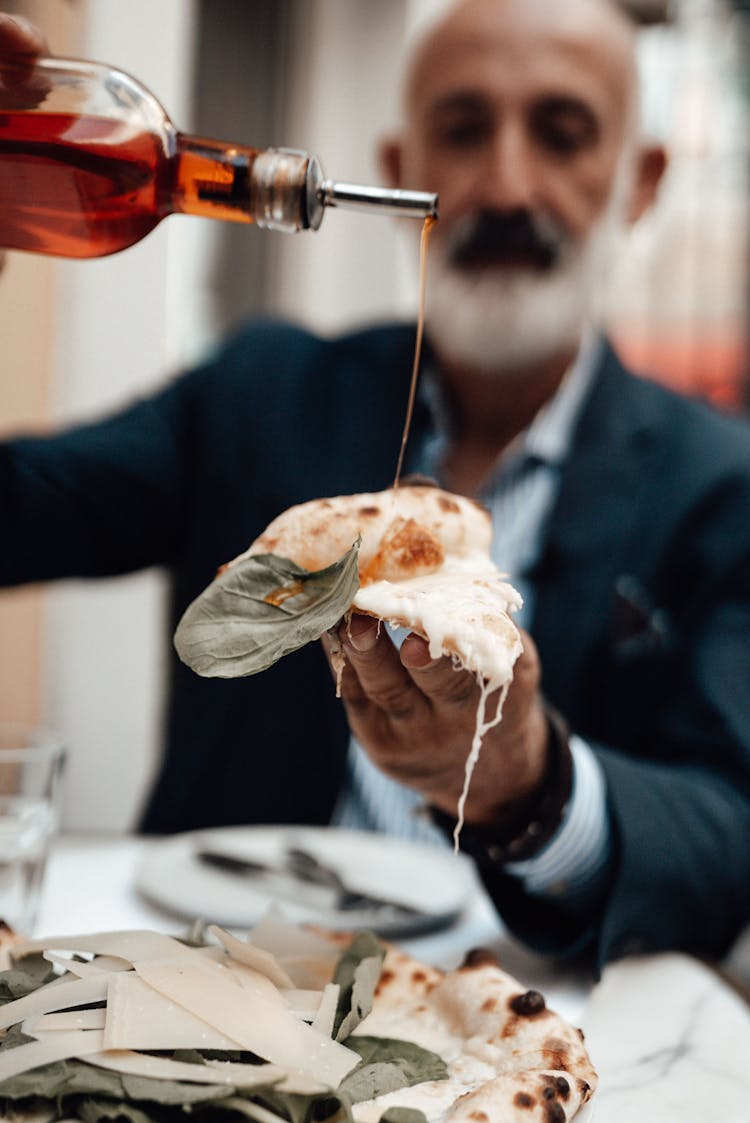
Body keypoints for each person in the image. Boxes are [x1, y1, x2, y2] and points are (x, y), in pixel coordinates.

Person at [1, 0, 750, 972]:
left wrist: (530, 786)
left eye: (562, 133)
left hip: (516, 1030)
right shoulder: (260, 391)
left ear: (639, 180)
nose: (507, 183)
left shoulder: (718, 484)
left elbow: (728, 837)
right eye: (464, 128)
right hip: (212, 997)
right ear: (399, 166)